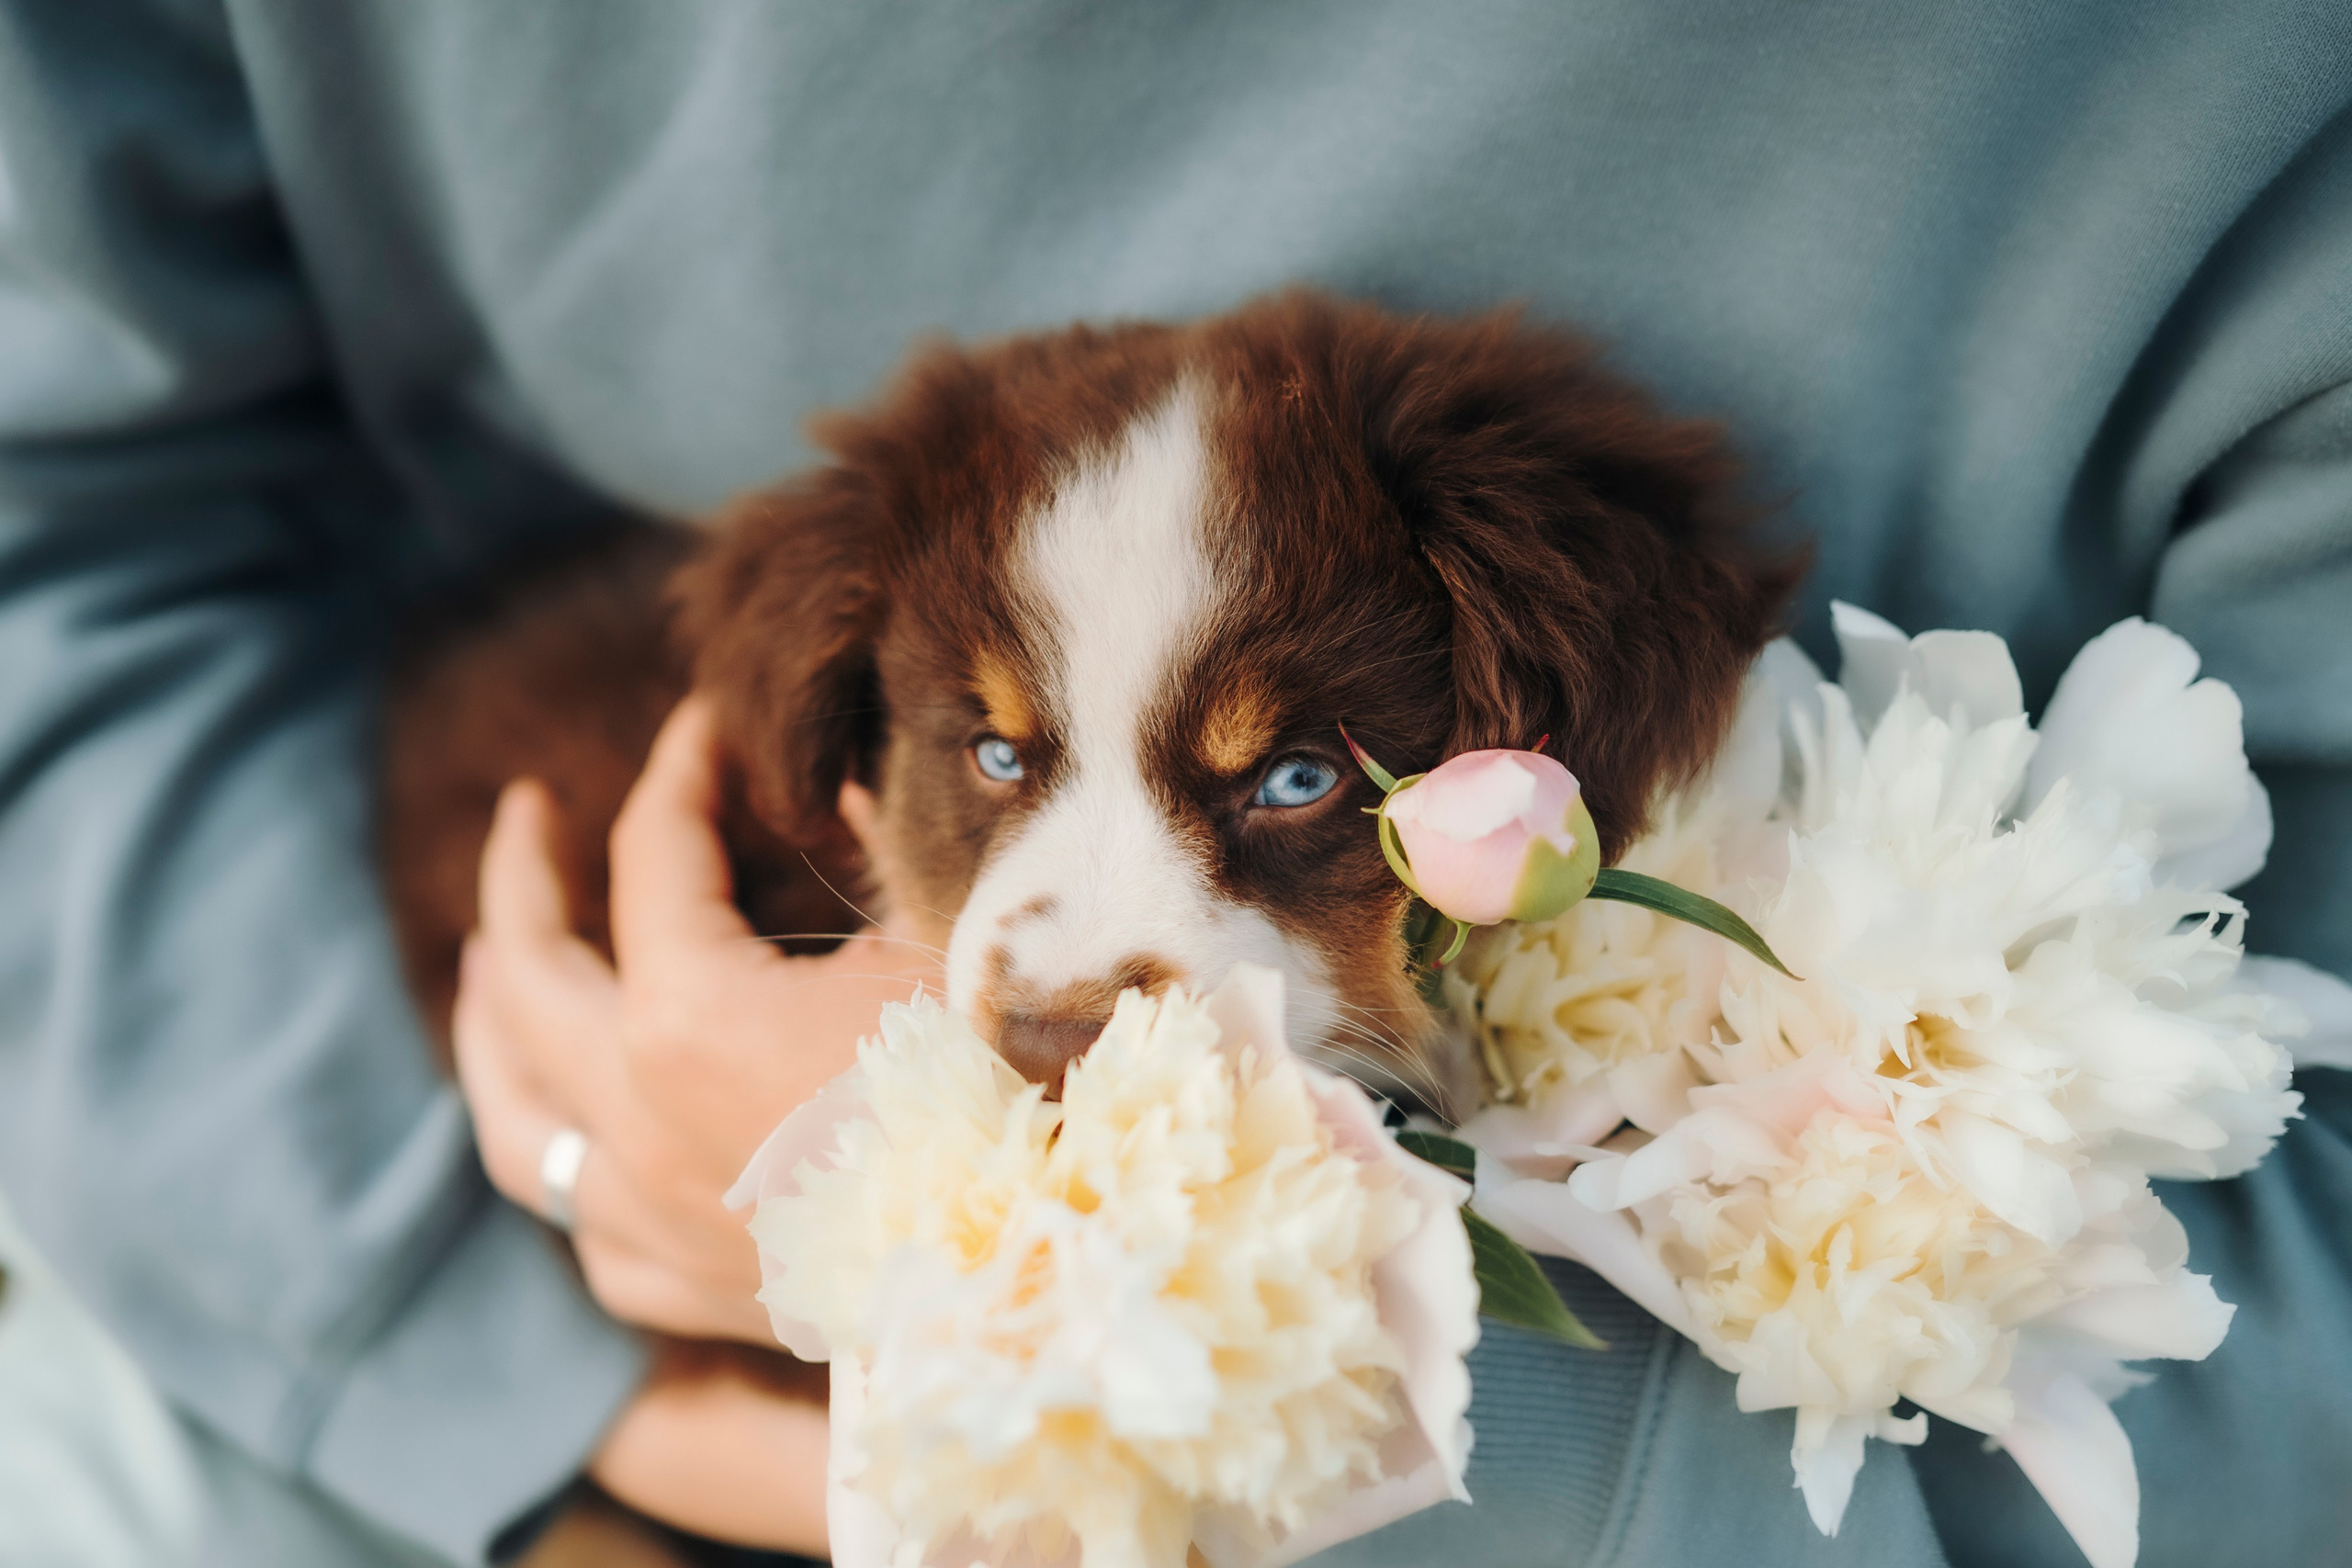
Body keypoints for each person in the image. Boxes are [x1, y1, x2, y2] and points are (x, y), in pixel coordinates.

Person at [3, 3, 2348, 1564]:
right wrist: (478, 1323)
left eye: (1298, 774)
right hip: (368, 1231)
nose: (1068, 960)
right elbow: (60, 540)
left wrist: (1311, 1424)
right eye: (1001, 761)